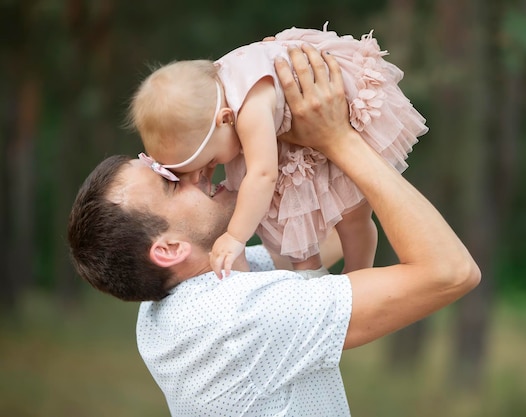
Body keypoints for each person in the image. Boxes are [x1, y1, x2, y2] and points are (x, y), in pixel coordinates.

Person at [68, 44, 480, 416]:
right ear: (170, 248)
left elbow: (325, 240)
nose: (195, 172)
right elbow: (451, 272)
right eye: (172, 180)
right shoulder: (236, 318)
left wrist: (298, 141)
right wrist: (339, 139)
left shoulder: (169, 309)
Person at [126, 23, 429, 278]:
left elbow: (263, 175)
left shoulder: (250, 107)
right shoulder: (210, 95)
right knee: (287, 208)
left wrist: (235, 236)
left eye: (211, 162)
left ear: (225, 119)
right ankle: (307, 270)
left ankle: (359, 274)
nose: (208, 174)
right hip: (292, 124)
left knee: (350, 216)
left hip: (340, 105)